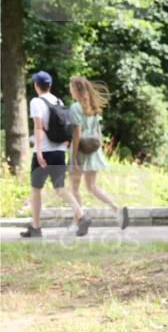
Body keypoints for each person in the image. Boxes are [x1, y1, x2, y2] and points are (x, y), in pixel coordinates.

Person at [20, 71, 91, 238]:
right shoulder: (58, 101)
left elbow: (38, 128)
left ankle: (36, 228)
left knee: (36, 189)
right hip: (59, 151)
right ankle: (81, 215)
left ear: (36, 85)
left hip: (44, 151)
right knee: (59, 187)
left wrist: (38, 152)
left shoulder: (36, 102)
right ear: (50, 85)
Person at [67, 76, 128, 230]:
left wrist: (74, 158)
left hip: (80, 150)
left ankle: (78, 222)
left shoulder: (76, 107)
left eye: (71, 87)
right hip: (93, 150)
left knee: (74, 189)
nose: (70, 90)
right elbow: (97, 131)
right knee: (92, 187)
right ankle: (117, 209)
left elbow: (77, 134)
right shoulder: (92, 106)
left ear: (76, 90)